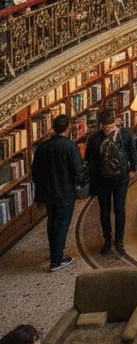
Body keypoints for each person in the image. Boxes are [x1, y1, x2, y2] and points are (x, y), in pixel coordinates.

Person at [30, 114, 82, 272]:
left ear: (53, 128)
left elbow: (35, 171)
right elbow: (77, 170)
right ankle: (56, 260)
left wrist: (38, 195)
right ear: (67, 129)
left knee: (52, 222)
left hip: (47, 193)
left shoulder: (42, 147)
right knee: (61, 225)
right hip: (64, 193)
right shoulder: (70, 146)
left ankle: (54, 252)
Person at [84, 107, 137, 255]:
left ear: (116, 122)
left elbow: (132, 151)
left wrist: (133, 169)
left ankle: (119, 240)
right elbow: (90, 160)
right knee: (104, 211)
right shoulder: (94, 139)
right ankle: (107, 240)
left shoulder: (125, 134)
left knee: (120, 209)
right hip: (102, 180)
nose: (108, 129)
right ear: (101, 125)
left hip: (121, 179)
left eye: (111, 126)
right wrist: (93, 183)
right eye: (105, 127)